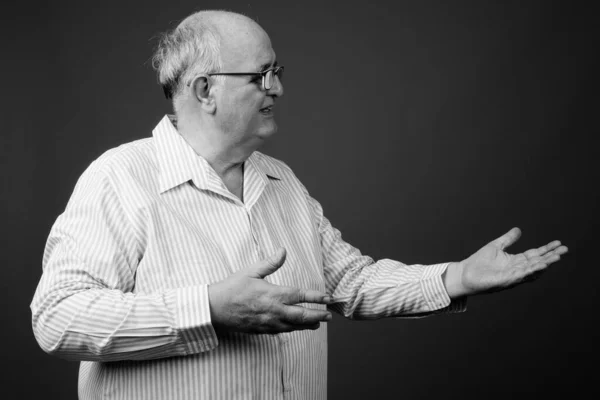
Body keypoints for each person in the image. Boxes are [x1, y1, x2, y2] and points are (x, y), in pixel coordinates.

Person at [30, 10, 568, 400]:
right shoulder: (119, 176)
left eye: (277, 72)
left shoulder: (281, 180)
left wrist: (457, 278)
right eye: (262, 75)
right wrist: (209, 309)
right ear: (204, 90)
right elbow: (57, 318)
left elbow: (347, 283)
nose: (278, 89)